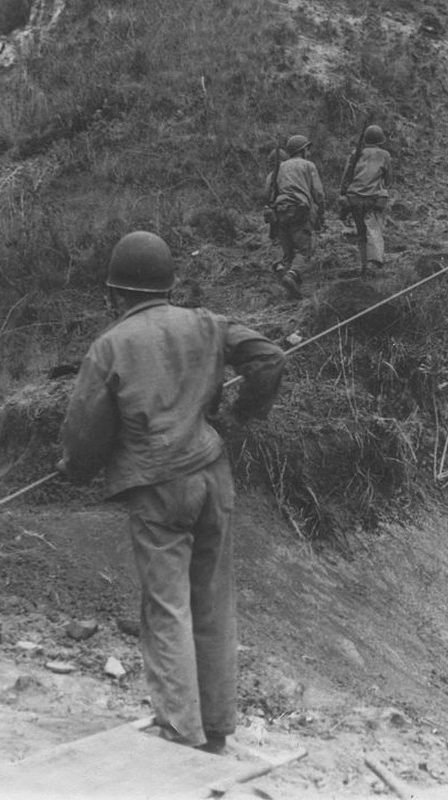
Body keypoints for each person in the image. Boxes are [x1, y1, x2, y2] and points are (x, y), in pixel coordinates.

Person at [59, 231, 285, 754]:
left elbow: (84, 433)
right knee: (213, 599)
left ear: (115, 293)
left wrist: (75, 468)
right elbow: (270, 359)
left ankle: (181, 728)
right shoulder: (207, 323)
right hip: (212, 474)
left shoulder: (110, 346)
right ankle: (218, 724)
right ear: (169, 284)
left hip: (158, 486)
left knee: (167, 605)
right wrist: (243, 413)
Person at [265, 134, 325, 299]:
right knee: (305, 249)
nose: (309, 153)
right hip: (300, 210)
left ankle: (290, 290)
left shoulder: (279, 168)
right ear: (303, 150)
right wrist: (322, 214)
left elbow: (269, 192)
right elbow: (318, 193)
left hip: (280, 212)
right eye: (307, 149)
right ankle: (291, 276)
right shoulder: (308, 165)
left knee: (288, 253)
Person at [340, 124, 392, 278]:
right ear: (380, 140)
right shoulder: (384, 155)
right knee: (374, 230)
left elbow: (346, 176)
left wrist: (343, 195)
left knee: (362, 233)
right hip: (372, 199)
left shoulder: (355, 153)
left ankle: (364, 265)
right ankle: (373, 264)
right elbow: (389, 181)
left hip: (354, 198)